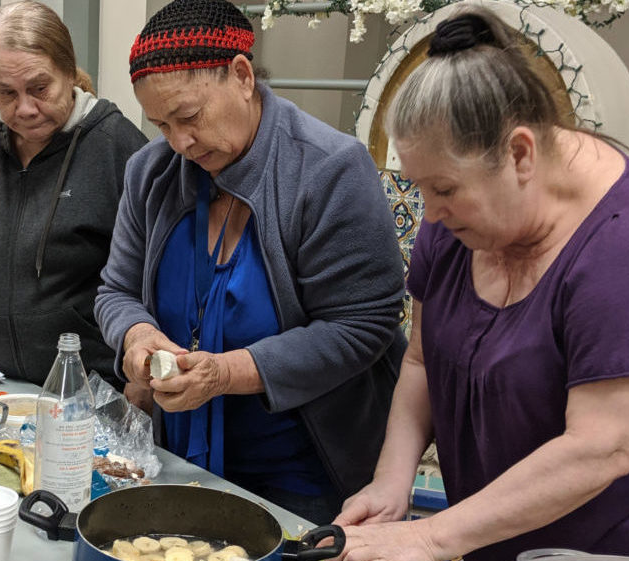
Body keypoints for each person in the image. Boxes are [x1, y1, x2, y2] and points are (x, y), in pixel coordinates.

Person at [319, 9, 629, 561]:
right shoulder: (454, 219)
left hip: (607, 557)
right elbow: (420, 358)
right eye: (420, 189)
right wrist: (392, 479)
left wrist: (431, 534)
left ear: (521, 155)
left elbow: (604, 446)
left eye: (443, 189)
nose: (428, 213)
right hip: (493, 546)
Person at [94, 0, 407, 526]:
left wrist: (226, 373)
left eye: (190, 117)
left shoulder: (329, 171)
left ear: (242, 75)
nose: (180, 143)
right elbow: (115, 291)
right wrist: (136, 336)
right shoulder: (150, 173)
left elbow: (362, 326)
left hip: (306, 471)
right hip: (178, 456)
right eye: (162, 125)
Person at [0, 1, 147, 386]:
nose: (25, 108)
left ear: (68, 71)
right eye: (6, 92)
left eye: (39, 88)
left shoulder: (118, 148)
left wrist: (140, 380)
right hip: (2, 381)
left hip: (93, 386)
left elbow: (150, 279)